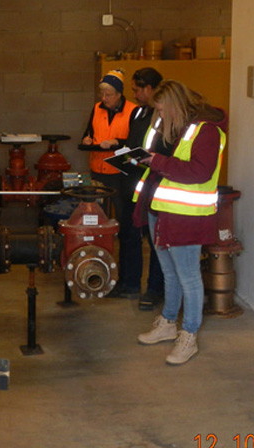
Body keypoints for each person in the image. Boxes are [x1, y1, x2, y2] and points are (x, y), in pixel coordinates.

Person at [133, 80, 227, 365]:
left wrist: (157, 161)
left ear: (175, 105)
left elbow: (199, 171)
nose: (159, 116)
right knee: (170, 274)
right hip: (161, 210)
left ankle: (189, 335)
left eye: (162, 110)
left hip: (186, 217)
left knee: (189, 278)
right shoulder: (175, 129)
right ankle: (169, 322)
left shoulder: (206, 131)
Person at [81, 69, 138, 297]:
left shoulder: (133, 111)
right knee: (97, 225)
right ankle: (98, 273)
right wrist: (87, 139)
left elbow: (135, 143)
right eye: (102, 94)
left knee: (125, 226)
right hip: (99, 172)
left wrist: (117, 141)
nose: (104, 99)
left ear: (119, 94)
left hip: (120, 175)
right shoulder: (96, 109)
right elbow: (89, 132)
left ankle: (125, 278)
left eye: (109, 94)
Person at [120, 68, 171, 308]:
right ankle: (129, 283)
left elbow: (162, 150)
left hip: (154, 183)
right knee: (129, 234)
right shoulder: (138, 112)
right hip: (134, 180)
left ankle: (154, 288)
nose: (135, 93)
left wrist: (146, 160)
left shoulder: (163, 117)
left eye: (138, 89)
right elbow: (134, 144)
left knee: (154, 239)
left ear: (150, 89)